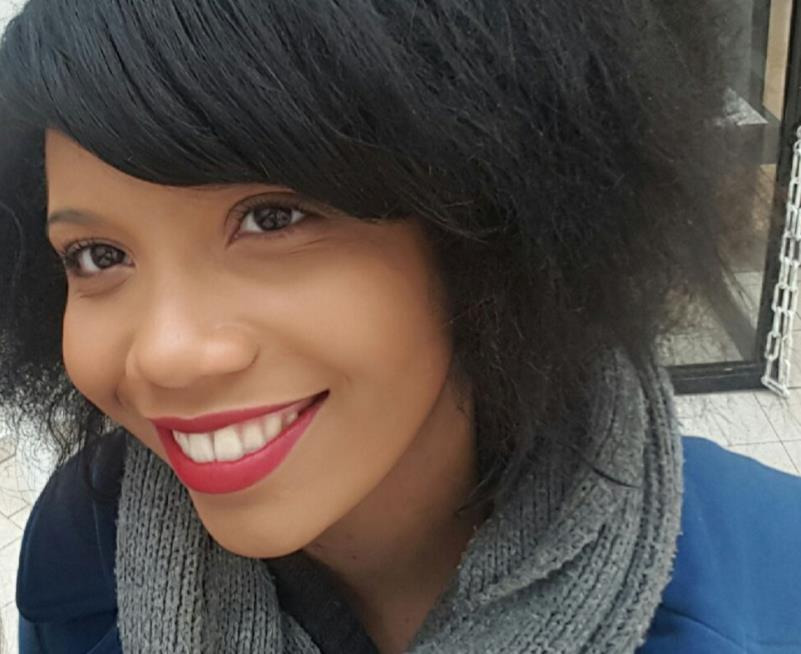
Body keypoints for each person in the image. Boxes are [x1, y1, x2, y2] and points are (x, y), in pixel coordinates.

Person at [0, 1, 799, 652]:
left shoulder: (771, 592)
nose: (165, 354)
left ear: (485, 226)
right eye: (98, 255)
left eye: (272, 218)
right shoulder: (84, 549)